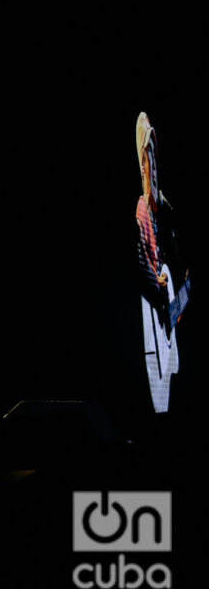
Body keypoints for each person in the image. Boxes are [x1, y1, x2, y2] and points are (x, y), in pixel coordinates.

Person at [135, 112, 185, 412]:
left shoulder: (162, 210)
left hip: (166, 318)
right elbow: (142, 263)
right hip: (151, 327)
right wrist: (157, 282)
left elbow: (173, 256)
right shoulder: (142, 210)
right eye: (148, 158)